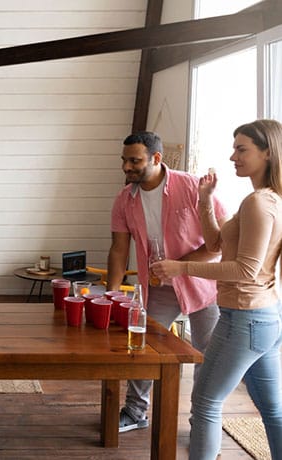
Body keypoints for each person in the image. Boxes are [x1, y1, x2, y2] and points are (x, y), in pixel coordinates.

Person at [152, 119, 282, 459]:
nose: (232, 157)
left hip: (244, 319)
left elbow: (244, 270)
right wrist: (205, 199)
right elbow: (216, 243)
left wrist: (181, 268)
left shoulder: (259, 203)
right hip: (264, 317)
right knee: (274, 411)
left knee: (206, 403)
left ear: (268, 153)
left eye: (242, 149)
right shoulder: (264, 200)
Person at [108, 131, 226, 433]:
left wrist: (182, 267)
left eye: (134, 161)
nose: (126, 167)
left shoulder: (191, 186)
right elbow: (119, 249)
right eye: (124, 160)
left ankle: (203, 419)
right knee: (141, 347)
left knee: (208, 355)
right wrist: (111, 294)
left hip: (202, 285)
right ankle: (135, 412)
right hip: (157, 287)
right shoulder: (124, 199)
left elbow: (221, 240)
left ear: (156, 158)